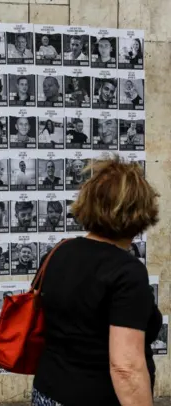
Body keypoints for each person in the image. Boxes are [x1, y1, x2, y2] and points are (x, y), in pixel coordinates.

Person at [31, 154, 161, 406]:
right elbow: (126, 368)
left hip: (46, 393)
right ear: (140, 212)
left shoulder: (57, 253)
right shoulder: (126, 272)